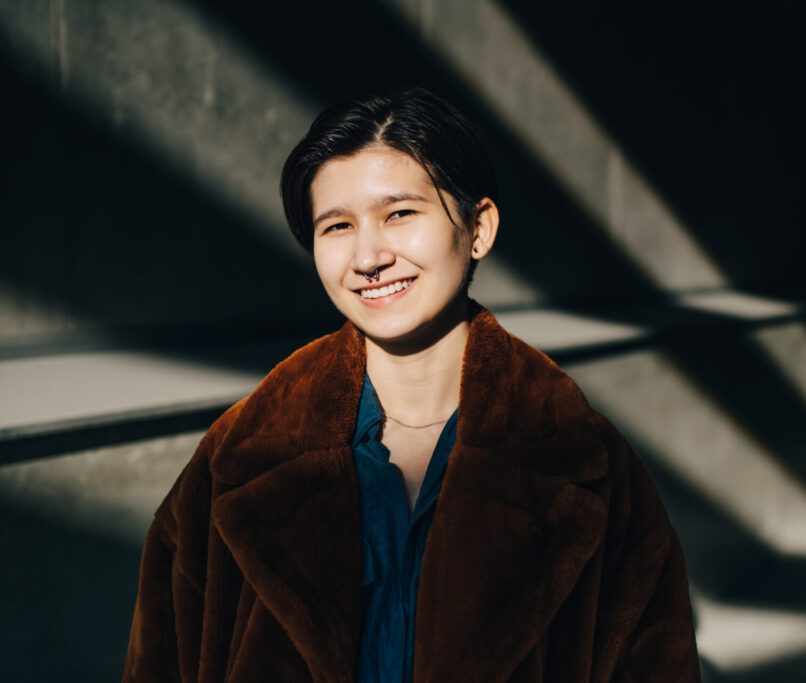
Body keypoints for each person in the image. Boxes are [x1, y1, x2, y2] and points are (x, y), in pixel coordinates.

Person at [122, 87, 700, 682]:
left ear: (479, 227)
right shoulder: (238, 458)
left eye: (399, 213)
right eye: (337, 226)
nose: (368, 256)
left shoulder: (588, 465)